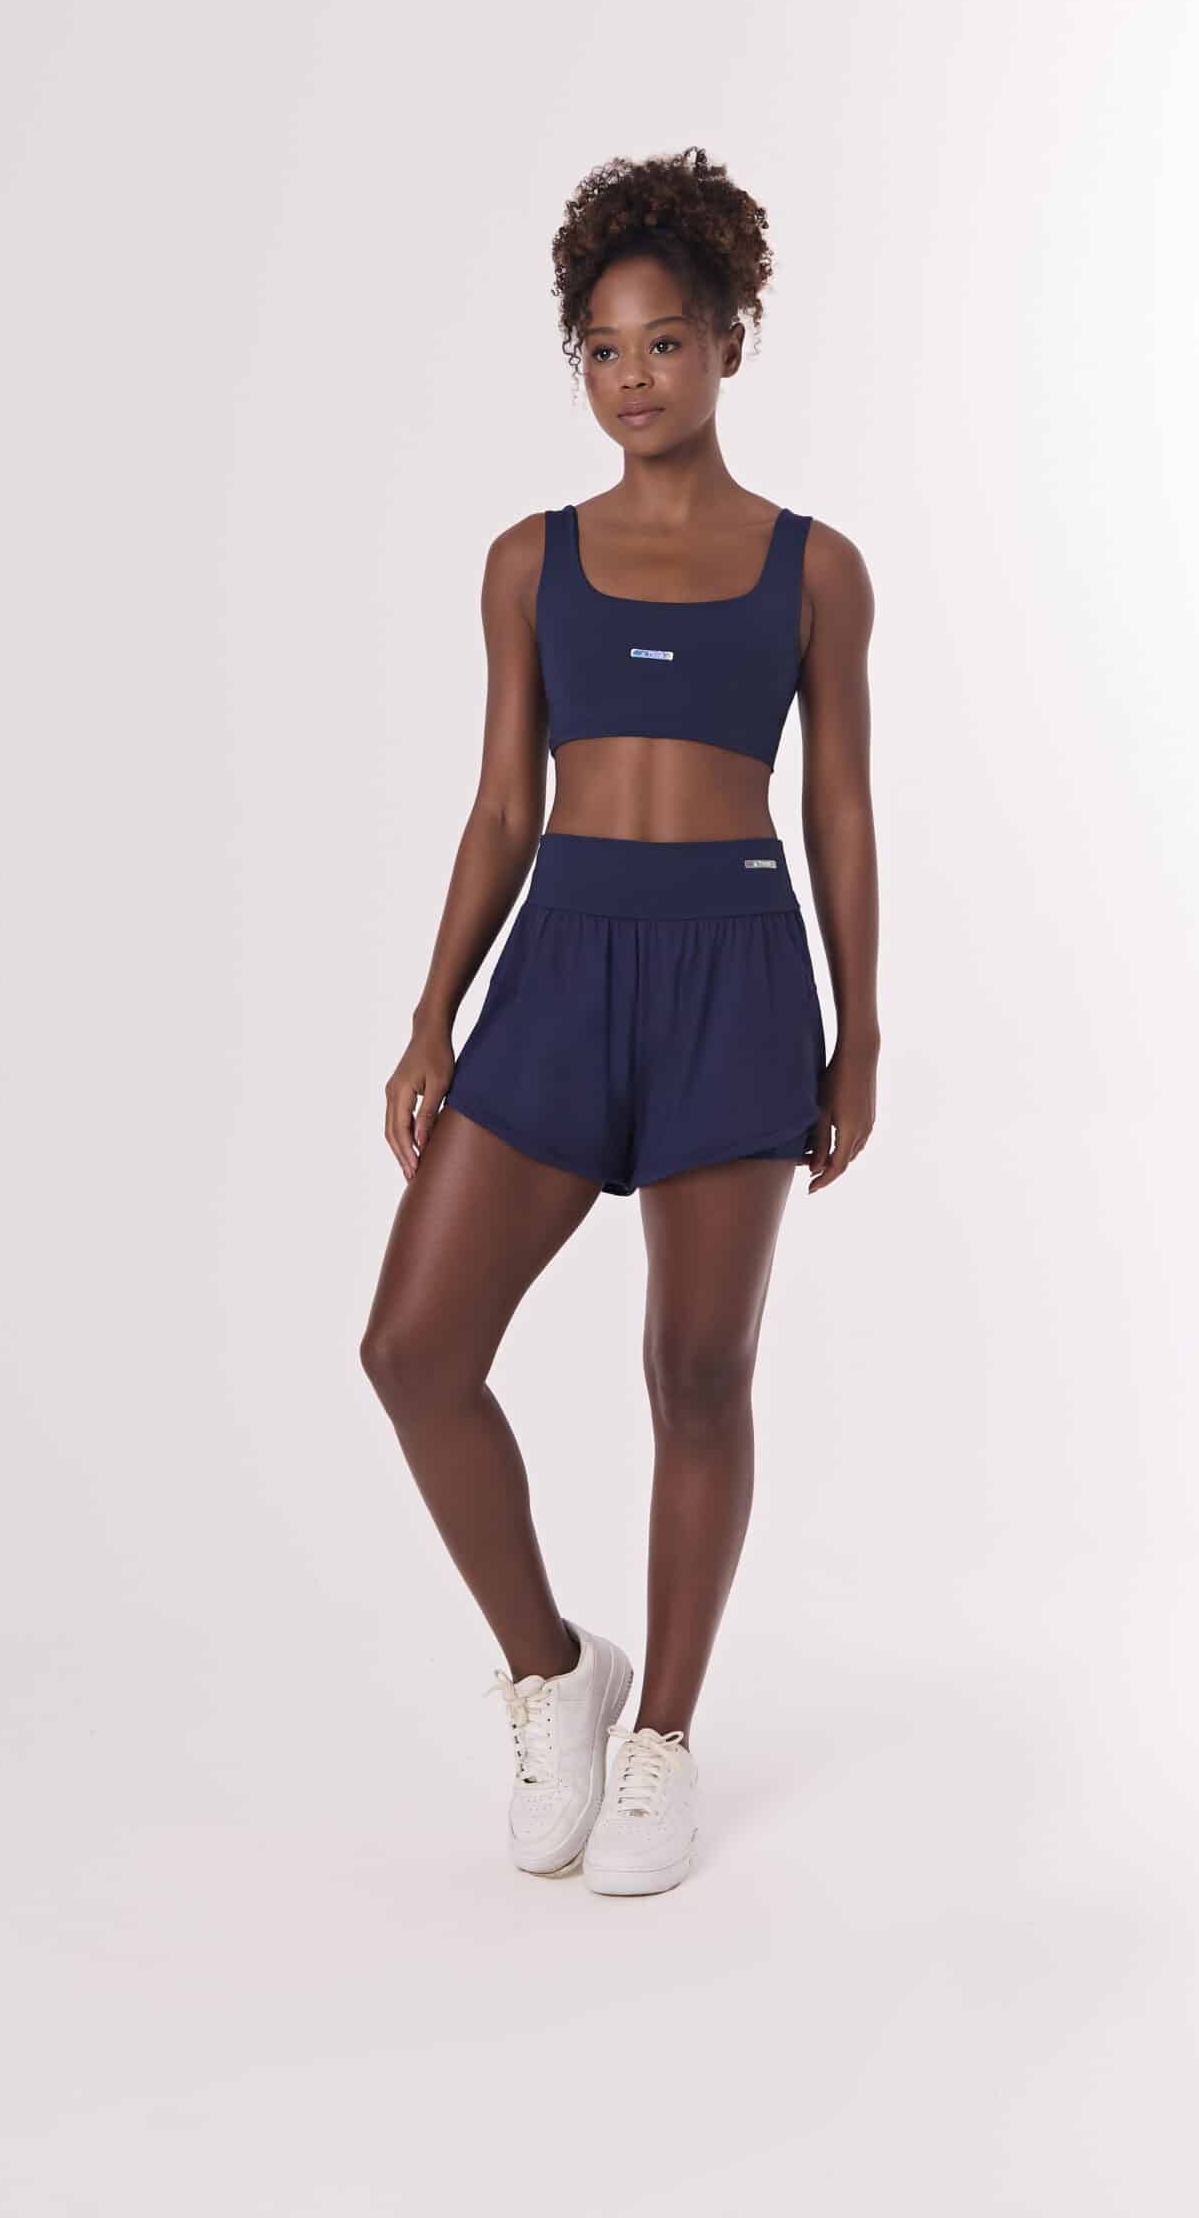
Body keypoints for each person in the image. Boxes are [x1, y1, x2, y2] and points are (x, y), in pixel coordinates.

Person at [359, 145, 879, 1896]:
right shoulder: (529, 560)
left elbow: (838, 813)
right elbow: (500, 806)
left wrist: (860, 1031)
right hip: (560, 972)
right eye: (599, 347)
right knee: (414, 1351)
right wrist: (431, 1015)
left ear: (729, 341)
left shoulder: (813, 569)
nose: (631, 375)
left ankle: (663, 1741)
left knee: (697, 1374)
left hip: (737, 976)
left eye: (663, 341)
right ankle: (554, 1672)